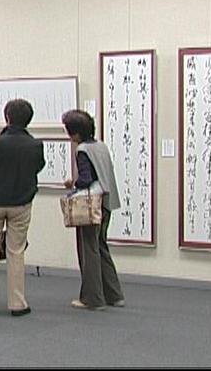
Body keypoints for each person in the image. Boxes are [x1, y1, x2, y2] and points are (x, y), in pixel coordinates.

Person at [0, 99, 45, 317]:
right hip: (21, 202)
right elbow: (39, 167)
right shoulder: (35, 145)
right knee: (16, 251)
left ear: (7, 117)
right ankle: (17, 303)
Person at [62, 109, 125, 310]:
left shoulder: (82, 150)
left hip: (92, 205)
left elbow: (86, 180)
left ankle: (92, 298)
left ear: (76, 133)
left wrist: (72, 182)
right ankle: (114, 295)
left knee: (88, 250)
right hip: (107, 203)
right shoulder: (101, 146)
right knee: (101, 247)